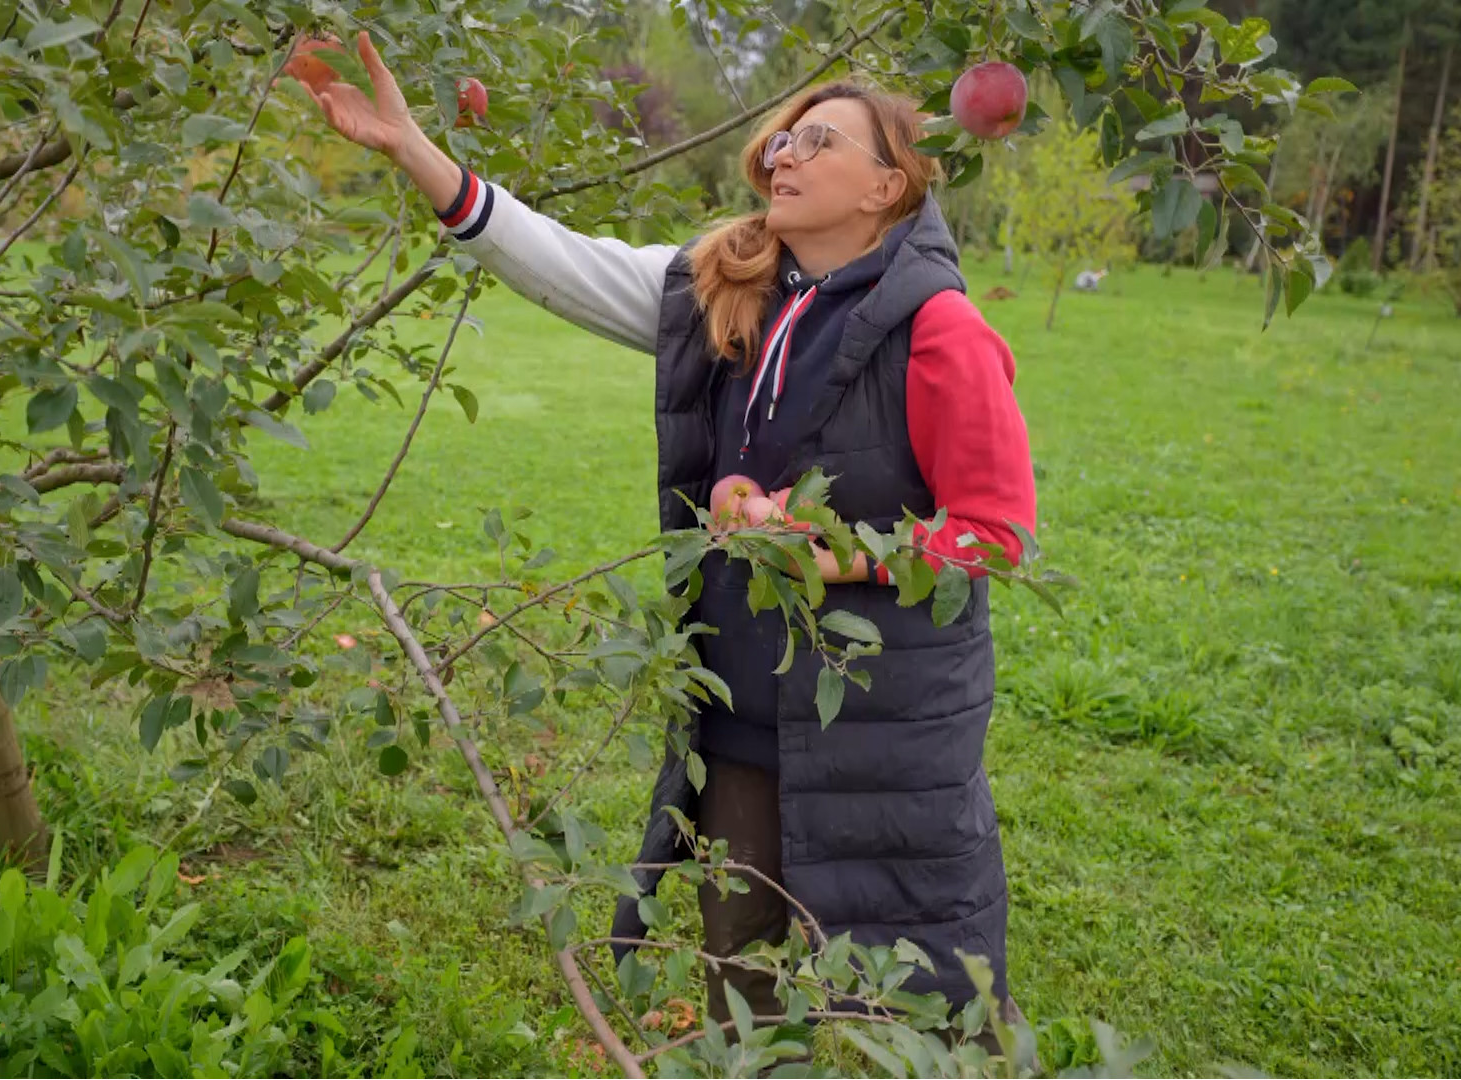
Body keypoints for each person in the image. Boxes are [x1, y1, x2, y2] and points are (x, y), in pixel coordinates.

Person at [293, 32, 1036, 1030]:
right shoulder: (728, 289)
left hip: (880, 724)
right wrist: (413, 149)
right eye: (782, 139)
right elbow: (557, 259)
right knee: (742, 968)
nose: (784, 155)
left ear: (888, 187)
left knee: (917, 996)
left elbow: (996, 533)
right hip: (739, 711)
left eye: (819, 140)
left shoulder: (939, 328)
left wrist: (836, 555)